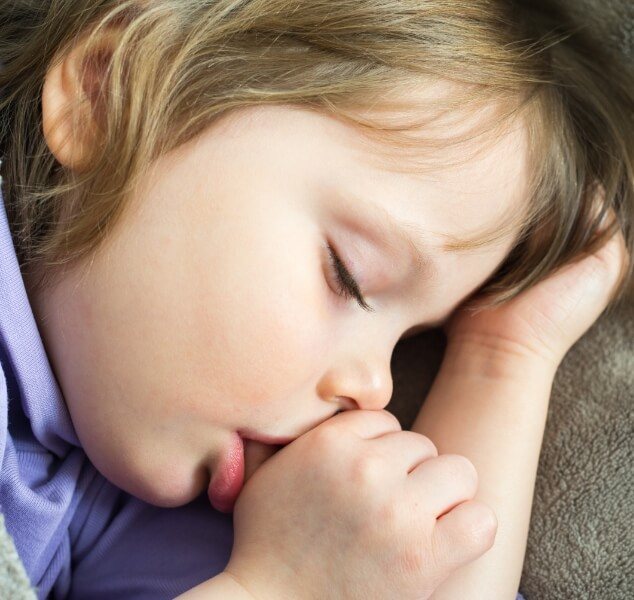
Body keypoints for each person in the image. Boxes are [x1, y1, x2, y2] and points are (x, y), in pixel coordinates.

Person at [0, 1, 631, 598]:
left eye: (410, 342)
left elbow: (415, 579)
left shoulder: (105, 481)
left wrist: (503, 358)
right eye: (348, 277)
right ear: (104, 98)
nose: (376, 390)